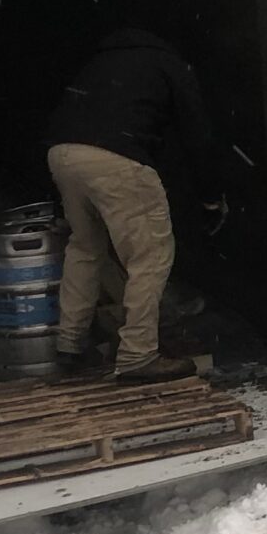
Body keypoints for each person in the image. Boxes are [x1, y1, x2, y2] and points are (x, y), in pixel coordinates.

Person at [44, 29, 224, 382]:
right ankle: (137, 355)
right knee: (149, 256)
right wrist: (210, 196)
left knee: (85, 246)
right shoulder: (168, 64)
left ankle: (69, 344)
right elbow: (196, 133)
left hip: (62, 153)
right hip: (117, 157)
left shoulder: (99, 61)